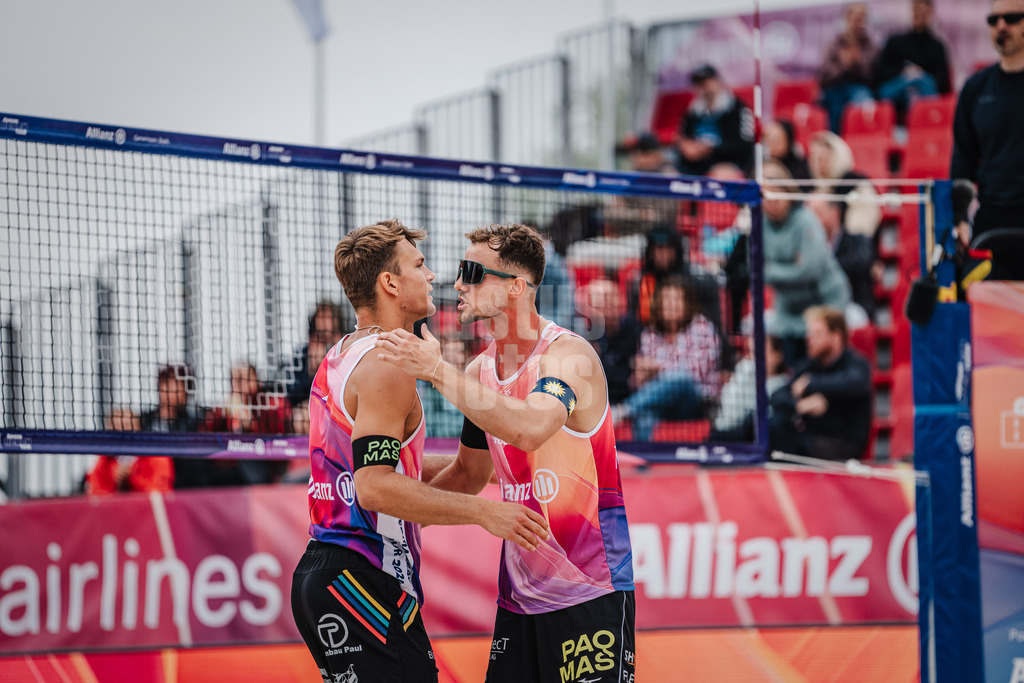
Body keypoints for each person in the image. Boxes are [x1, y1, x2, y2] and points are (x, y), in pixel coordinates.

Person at [374, 222, 636, 683]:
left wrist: (437, 370)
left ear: (516, 287)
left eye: (473, 272)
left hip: (588, 588)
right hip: (518, 600)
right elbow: (468, 475)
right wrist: (382, 514)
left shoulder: (569, 356)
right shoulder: (480, 372)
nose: (458, 283)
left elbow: (530, 428)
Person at [290, 219, 549, 683]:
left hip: (327, 571)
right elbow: (373, 487)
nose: (432, 276)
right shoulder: (388, 364)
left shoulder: (342, 352)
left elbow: (374, 464)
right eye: (419, 265)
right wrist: (485, 512)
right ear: (390, 283)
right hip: (362, 572)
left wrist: (487, 469)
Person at [951, 0, 1024, 279]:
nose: (1001, 26)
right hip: (991, 225)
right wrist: (960, 218)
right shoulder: (975, 89)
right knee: (981, 303)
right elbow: (963, 159)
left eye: (1012, 18)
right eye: (994, 20)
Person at [762, 161, 852, 365]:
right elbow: (758, 272)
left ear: (788, 193)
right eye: (767, 196)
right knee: (795, 371)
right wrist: (791, 268)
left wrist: (772, 269)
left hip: (824, 304)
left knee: (825, 367)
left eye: (777, 193)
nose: (772, 201)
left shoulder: (805, 220)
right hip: (789, 313)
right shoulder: (760, 225)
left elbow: (809, 270)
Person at [619, 276, 721, 442]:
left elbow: (695, 374)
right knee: (644, 414)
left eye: (677, 299)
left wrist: (656, 369)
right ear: (658, 305)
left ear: (687, 304)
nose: (671, 304)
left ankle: (624, 409)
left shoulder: (702, 328)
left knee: (681, 379)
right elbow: (639, 382)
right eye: (666, 299)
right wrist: (642, 375)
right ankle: (646, 456)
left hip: (693, 403)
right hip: (659, 402)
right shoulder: (649, 334)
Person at [769, 306, 873, 461]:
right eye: (809, 333)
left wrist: (811, 384)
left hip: (843, 445)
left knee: (786, 439)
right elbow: (777, 396)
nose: (808, 339)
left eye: (816, 333)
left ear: (836, 337)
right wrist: (800, 405)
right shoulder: (810, 365)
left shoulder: (856, 364)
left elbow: (855, 383)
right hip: (812, 439)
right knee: (773, 425)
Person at [201, 361, 292, 486]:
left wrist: (253, 426)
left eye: (243, 379)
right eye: (235, 380)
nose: (238, 384)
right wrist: (220, 415)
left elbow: (279, 439)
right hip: (232, 470)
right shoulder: (226, 408)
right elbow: (205, 434)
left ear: (256, 380)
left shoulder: (273, 403)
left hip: (266, 467)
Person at [874, 0, 952, 120]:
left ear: (930, 13)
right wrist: (904, 72)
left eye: (922, 11)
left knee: (920, 83)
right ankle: (928, 119)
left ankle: (920, 118)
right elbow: (881, 72)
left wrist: (920, 74)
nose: (918, 14)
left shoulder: (937, 46)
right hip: (895, 89)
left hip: (921, 91)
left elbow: (942, 80)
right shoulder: (895, 42)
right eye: (916, 10)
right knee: (917, 81)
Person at [712, 324, 789, 442]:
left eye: (762, 352)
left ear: (778, 356)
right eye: (753, 352)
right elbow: (730, 414)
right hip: (729, 434)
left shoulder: (783, 385)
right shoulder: (744, 374)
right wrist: (741, 374)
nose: (756, 358)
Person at [807, 193, 878, 321]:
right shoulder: (806, 245)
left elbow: (860, 264)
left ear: (835, 212)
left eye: (817, 213)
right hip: (814, 307)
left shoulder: (858, 241)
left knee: (851, 318)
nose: (813, 221)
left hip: (852, 305)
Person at [675, 64, 755, 176]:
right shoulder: (692, 111)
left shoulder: (737, 108)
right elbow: (683, 137)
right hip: (695, 165)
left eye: (707, 83)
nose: (704, 88)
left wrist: (712, 149)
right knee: (669, 174)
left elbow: (745, 146)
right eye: (699, 84)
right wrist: (686, 146)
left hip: (728, 164)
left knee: (719, 175)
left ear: (717, 82)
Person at [578, 277, 641, 407]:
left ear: (621, 300)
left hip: (632, 399)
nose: (609, 303)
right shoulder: (585, 335)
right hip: (598, 402)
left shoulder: (633, 328)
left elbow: (637, 377)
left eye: (612, 297)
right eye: (603, 298)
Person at [807, 130, 882, 239]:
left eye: (824, 157)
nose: (819, 163)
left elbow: (860, 232)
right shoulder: (816, 188)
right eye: (815, 157)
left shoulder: (858, 186)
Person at [819, 3, 879, 132]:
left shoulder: (871, 45)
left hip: (860, 88)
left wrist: (858, 62)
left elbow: (874, 74)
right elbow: (824, 73)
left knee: (863, 104)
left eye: (862, 18)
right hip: (835, 88)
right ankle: (835, 140)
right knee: (834, 108)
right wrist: (844, 65)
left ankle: (858, 137)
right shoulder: (834, 43)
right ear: (847, 18)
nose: (859, 22)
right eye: (856, 17)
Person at [86, 407, 174, 494]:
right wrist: (115, 484)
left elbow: (163, 492)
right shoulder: (104, 461)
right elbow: (94, 494)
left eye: (127, 426)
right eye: (115, 428)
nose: (121, 432)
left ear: (139, 428)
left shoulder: (157, 456)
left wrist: (132, 479)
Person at [283, 300, 346, 408]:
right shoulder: (304, 353)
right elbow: (293, 394)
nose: (323, 322)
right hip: (312, 405)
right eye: (320, 317)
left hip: (339, 404)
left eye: (327, 317)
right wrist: (311, 370)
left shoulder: (346, 347)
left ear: (336, 321)